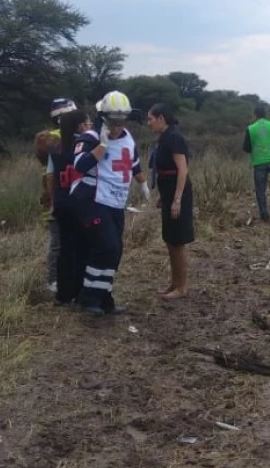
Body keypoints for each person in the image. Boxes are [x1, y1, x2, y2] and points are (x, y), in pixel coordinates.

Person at [70, 90, 151, 315]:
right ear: (103, 117)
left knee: (115, 252)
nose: (116, 127)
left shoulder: (127, 138)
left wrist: (143, 185)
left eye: (121, 121)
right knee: (107, 247)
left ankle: (104, 298)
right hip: (92, 200)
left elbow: (133, 163)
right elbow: (79, 166)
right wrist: (102, 147)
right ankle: (89, 298)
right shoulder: (90, 137)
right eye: (112, 121)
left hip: (116, 202)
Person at [147, 103, 194, 301]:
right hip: (168, 193)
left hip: (178, 195)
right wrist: (163, 196)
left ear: (161, 118)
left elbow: (182, 170)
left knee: (177, 241)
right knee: (169, 240)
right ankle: (174, 283)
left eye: (150, 119)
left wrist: (176, 199)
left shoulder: (174, 137)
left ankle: (182, 287)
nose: (148, 123)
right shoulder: (164, 138)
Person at [47, 109, 91, 305]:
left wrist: (53, 200)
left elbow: (50, 175)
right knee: (83, 248)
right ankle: (81, 291)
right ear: (80, 125)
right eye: (87, 123)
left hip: (61, 201)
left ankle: (63, 295)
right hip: (80, 202)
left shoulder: (56, 147)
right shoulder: (84, 145)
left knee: (65, 249)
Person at [35, 98, 78, 293]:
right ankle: (53, 280)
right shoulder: (53, 139)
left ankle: (64, 277)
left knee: (66, 241)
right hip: (55, 198)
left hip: (63, 196)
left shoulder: (60, 137)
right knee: (58, 242)